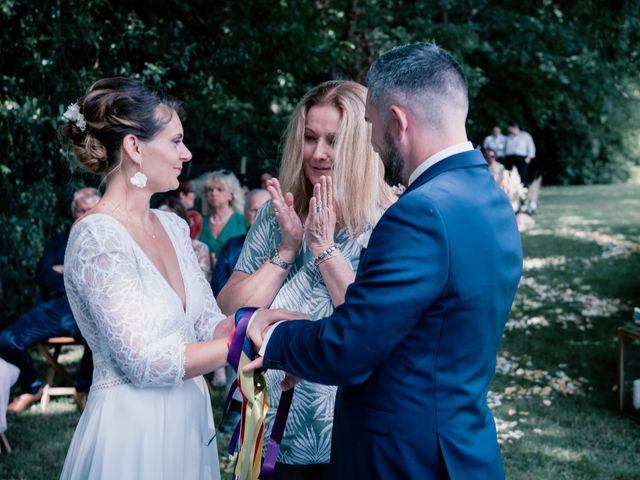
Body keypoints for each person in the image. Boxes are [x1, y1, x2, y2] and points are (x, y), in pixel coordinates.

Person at [246, 43, 523, 479]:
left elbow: (351, 346)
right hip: (460, 445)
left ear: (397, 121)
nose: (372, 144)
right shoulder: (489, 198)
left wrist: (273, 336)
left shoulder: (420, 211)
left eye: (372, 125)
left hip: (403, 457)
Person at [57, 77, 276, 479]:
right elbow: (144, 362)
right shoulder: (97, 237)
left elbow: (208, 323)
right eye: (175, 141)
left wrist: (267, 322)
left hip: (187, 423)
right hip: (133, 431)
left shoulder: (172, 226)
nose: (186, 153)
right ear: (135, 147)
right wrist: (244, 336)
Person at [217, 80, 395, 478]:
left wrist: (323, 247)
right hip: (276, 425)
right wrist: (287, 249)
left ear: (363, 144)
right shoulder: (278, 213)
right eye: (310, 138)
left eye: (333, 140)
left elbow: (368, 327)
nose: (318, 153)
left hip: (350, 426)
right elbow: (230, 310)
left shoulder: (389, 221)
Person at [0, 187, 100, 413]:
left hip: (86, 308)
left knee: (101, 335)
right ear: (74, 214)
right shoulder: (59, 241)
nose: (85, 215)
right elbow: (43, 274)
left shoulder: (106, 241)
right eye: (81, 210)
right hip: (53, 308)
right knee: (6, 339)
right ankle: (32, 386)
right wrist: (75, 275)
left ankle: (84, 387)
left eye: (91, 210)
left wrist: (64, 270)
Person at [210, 188, 270, 297]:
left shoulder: (284, 245)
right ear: (246, 213)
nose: (260, 214)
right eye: (254, 210)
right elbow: (219, 288)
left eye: (264, 209)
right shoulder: (232, 246)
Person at [196, 170, 249, 264]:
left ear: (231, 195)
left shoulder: (243, 221)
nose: (213, 193)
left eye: (220, 190)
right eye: (209, 190)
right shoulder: (200, 222)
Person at [504, 121, 536, 187]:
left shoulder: (525, 136)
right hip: (510, 158)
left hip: (521, 158)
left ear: (515, 128)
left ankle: (524, 190)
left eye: (510, 129)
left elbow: (531, 147)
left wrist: (529, 157)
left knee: (522, 175)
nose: (509, 131)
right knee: (509, 174)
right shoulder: (508, 137)